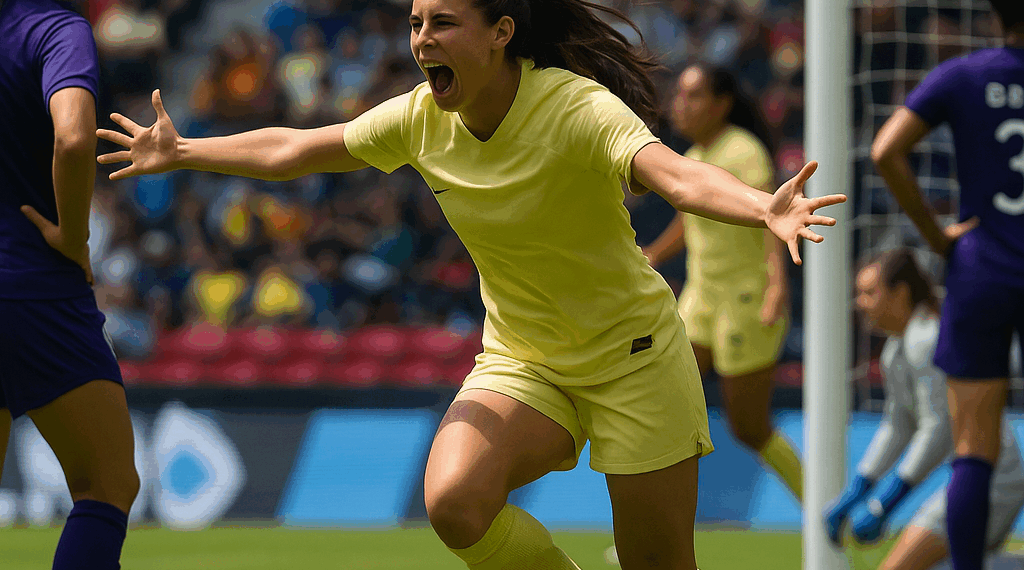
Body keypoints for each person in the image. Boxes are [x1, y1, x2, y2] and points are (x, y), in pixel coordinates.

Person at [97, 0, 845, 567]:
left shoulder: (573, 107)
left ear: (501, 33)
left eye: (444, 23)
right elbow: (297, 148)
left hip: (637, 360)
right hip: (526, 360)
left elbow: (674, 174)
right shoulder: (420, 118)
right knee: (454, 504)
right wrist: (186, 148)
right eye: (417, 23)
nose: (422, 40)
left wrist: (762, 206)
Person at [871, 1, 1024, 568]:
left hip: (980, 267)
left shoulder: (964, 75)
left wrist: (936, 236)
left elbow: (886, 149)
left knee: (974, 452)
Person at [0, 0, 140, 569]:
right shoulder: (56, 30)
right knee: (106, 485)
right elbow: (76, 139)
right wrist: (74, 235)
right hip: (31, 283)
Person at [643, 64, 803, 501]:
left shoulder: (744, 151)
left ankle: (826, 514)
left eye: (693, 96)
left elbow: (772, 216)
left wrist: (777, 285)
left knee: (749, 428)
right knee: (667, 409)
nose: (680, 104)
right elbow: (690, 216)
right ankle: (653, 531)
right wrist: (655, 252)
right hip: (701, 297)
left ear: (721, 104)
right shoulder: (693, 156)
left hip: (746, 300)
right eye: (679, 94)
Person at [823, 249, 1024, 570]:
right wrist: (858, 489)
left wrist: (886, 503)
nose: (860, 303)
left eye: (869, 293)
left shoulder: (927, 340)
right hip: (990, 477)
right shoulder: (896, 350)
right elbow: (898, 425)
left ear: (900, 293)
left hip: (994, 479)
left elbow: (938, 429)